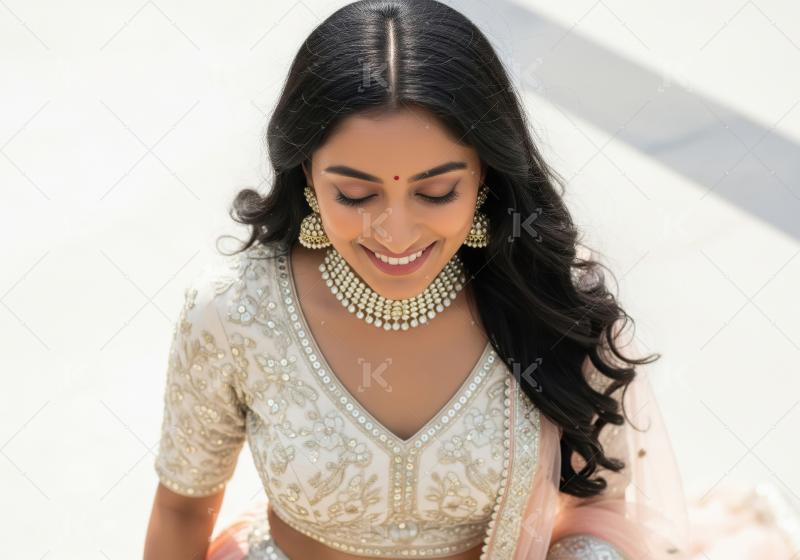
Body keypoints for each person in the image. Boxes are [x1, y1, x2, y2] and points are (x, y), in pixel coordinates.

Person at [142, 1, 800, 559]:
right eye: (354, 193)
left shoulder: (545, 296)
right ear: (307, 176)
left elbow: (601, 508)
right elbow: (180, 512)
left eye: (436, 191)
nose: (395, 232)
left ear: (485, 174)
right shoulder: (232, 314)